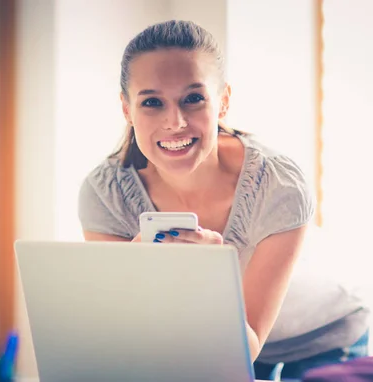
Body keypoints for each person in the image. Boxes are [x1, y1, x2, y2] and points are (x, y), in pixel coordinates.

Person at [77, 19, 370, 380]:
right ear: (127, 110)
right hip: (217, 344)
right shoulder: (105, 195)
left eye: (193, 98)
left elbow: (244, 348)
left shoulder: (278, 184)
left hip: (322, 335)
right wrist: (135, 278)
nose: (175, 122)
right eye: (152, 102)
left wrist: (210, 278)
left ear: (224, 101)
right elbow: (128, 337)